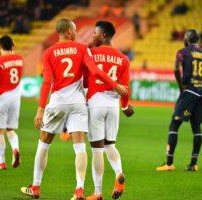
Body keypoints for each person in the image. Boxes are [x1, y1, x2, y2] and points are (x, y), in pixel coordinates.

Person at [20, 19, 128, 200]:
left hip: (57, 102)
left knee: (44, 145)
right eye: (75, 30)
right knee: (80, 148)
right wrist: (115, 86)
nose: (77, 32)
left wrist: (40, 108)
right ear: (69, 31)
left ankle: (36, 186)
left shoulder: (48, 53)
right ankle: (79, 189)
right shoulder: (82, 49)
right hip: (78, 104)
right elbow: (95, 71)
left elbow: (47, 82)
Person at [156, 29, 202, 172]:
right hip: (201, 93)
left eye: (184, 38)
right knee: (197, 128)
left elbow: (176, 69)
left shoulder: (183, 52)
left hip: (189, 91)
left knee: (174, 125)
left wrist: (181, 86)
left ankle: (169, 164)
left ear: (187, 39)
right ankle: (193, 164)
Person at [85, 21, 134, 200]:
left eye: (95, 33)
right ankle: (118, 173)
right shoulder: (123, 58)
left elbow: (85, 77)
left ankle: (97, 193)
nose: (93, 35)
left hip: (95, 102)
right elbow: (125, 87)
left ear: (104, 35)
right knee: (110, 145)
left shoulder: (90, 53)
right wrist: (125, 106)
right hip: (113, 105)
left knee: (97, 150)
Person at [0, 35, 23, 170]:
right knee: (10, 129)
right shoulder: (19, 59)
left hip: (1, 98)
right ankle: (15, 149)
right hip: (15, 99)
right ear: (13, 46)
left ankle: (2, 162)